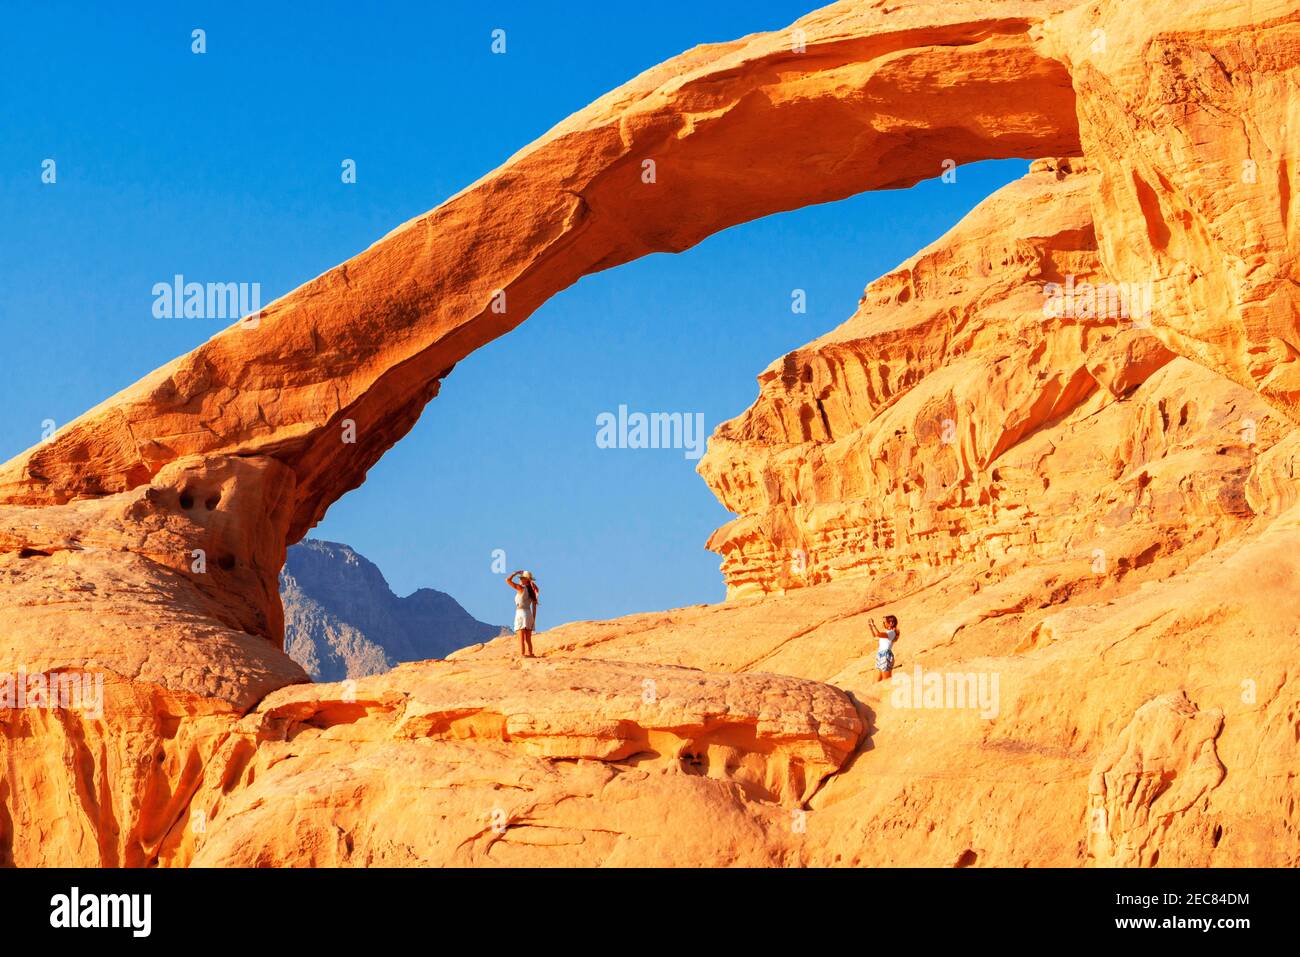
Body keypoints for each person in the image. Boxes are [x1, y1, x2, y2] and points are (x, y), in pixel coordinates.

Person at [506, 570, 540, 658]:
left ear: (526, 580)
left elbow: (507, 580)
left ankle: (522, 654)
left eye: (522, 578)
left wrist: (514, 573)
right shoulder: (532, 592)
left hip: (521, 614)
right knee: (528, 639)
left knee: (521, 638)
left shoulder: (521, 588)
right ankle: (531, 654)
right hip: (529, 614)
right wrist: (533, 620)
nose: (520, 579)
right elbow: (534, 607)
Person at [869, 614, 899, 681]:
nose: (883, 624)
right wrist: (871, 628)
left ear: (891, 623)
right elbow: (875, 637)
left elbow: (878, 634)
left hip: (886, 655)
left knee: (886, 680)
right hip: (880, 655)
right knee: (876, 681)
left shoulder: (892, 633)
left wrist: (873, 625)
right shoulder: (887, 633)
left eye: (884, 622)